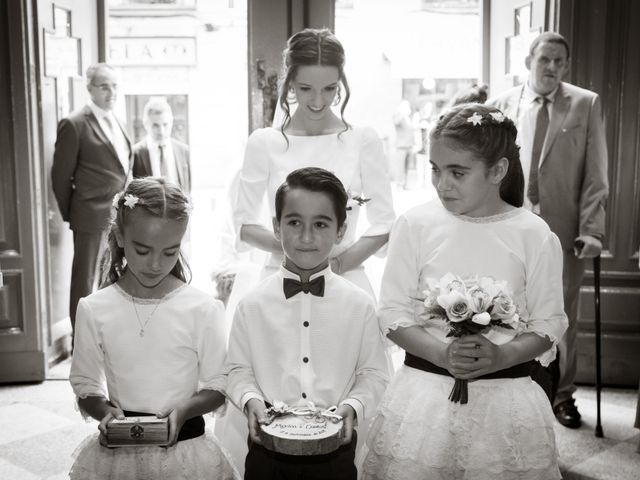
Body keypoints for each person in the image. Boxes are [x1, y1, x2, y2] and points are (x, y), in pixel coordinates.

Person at [361, 104, 568, 479]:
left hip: (505, 399)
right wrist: (442, 352)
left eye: (458, 172)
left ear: (498, 171)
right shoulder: (415, 225)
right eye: (436, 170)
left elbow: (548, 324)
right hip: (425, 395)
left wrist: (502, 356)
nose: (443, 184)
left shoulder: (533, 234)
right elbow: (391, 313)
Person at [68, 178, 240, 480]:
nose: (155, 264)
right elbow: (85, 384)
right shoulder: (94, 308)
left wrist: (185, 410)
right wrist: (105, 412)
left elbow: (218, 386)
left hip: (187, 453)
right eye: (143, 250)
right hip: (119, 455)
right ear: (120, 236)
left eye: (170, 251)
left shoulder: (203, 308)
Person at [226, 167, 389, 480]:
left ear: (341, 230)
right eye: (294, 222)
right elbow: (237, 371)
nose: (306, 237)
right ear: (276, 226)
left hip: (335, 452)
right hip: (266, 450)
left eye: (321, 224)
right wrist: (250, 400)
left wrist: (353, 405)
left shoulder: (360, 305)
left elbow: (374, 373)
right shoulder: (252, 305)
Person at [487, 31, 609, 428]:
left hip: (564, 234)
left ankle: (563, 395)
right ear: (528, 62)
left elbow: (596, 175)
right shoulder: (501, 104)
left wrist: (593, 230)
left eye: (560, 62)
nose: (553, 68)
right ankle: (509, 385)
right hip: (506, 229)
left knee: (561, 317)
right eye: (545, 60)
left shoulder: (585, 105)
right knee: (506, 308)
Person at [232, 28, 396, 297]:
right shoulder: (263, 143)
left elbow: (384, 225)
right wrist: (295, 252)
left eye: (329, 88)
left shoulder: (363, 140)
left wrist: (337, 263)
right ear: (290, 83)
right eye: (306, 88)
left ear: (340, 83)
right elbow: (245, 226)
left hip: (345, 278)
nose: (319, 101)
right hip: (281, 277)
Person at [51, 62, 132, 337]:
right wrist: (74, 213)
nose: (112, 93)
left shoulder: (117, 121)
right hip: (89, 216)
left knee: (112, 277)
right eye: (104, 86)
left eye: (115, 86)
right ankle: (81, 342)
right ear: (90, 89)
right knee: (85, 281)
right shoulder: (74, 124)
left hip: (118, 216)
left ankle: (105, 335)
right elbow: (60, 176)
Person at [132, 98, 191, 194]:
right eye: (155, 125)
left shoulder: (184, 151)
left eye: (165, 124)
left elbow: (187, 188)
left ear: (171, 122)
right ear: (146, 124)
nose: (161, 131)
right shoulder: (135, 153)